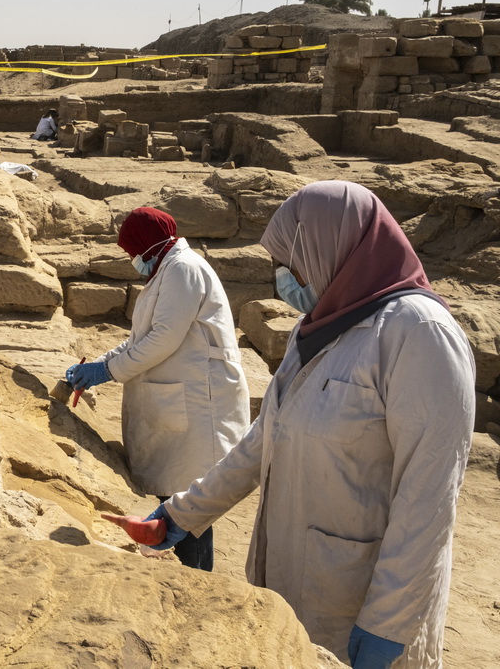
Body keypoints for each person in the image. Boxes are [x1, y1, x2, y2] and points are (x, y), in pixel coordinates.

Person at [145, 181, 475, 668]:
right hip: (294, 582)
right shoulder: (318, 325)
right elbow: (263, 440)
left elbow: (429, 495)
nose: (286, 280)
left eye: (292, 265)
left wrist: (388, 623)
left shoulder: (419, 333)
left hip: (363, 602)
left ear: (332, 249)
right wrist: (183, 514)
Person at [66, 207, 250, 571]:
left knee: (190, 506)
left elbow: (164, 338)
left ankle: (197, 579)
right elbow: (142, 337)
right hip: (180, 395)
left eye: (132, 252)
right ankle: (188, 570)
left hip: (199, 401)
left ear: (145, 245)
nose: (133, 260)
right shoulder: (168, 268)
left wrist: (108, 371)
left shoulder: (183, 269)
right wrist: (101, 363)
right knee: (179, 503)